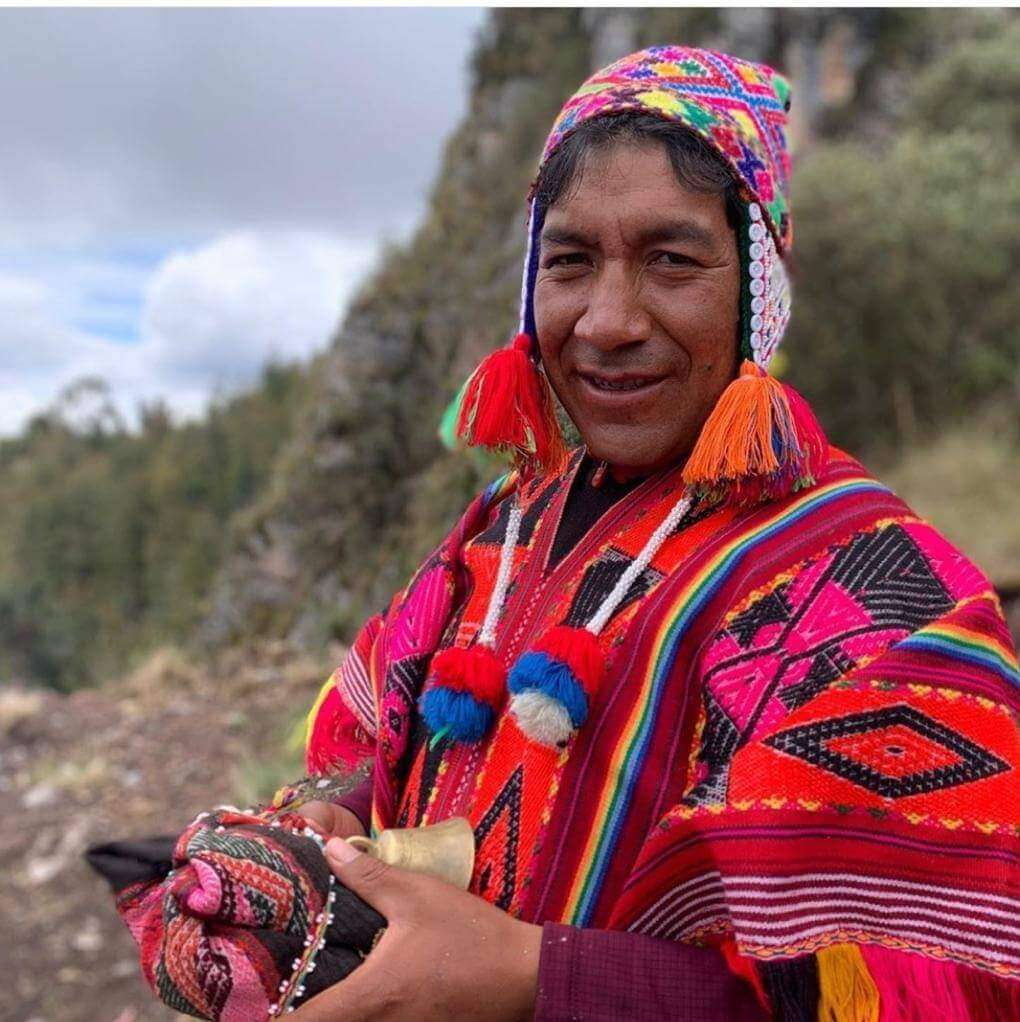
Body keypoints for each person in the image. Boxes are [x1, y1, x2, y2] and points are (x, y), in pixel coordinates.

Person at [283, 45, 1020, 1021]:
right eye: (571, 262)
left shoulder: (883, 595)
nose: (607, 320)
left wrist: (532, 975)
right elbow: (374, 733)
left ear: (757, 291)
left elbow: (952, 984)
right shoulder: (503, 528)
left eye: (672, 260)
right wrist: (330, 822)